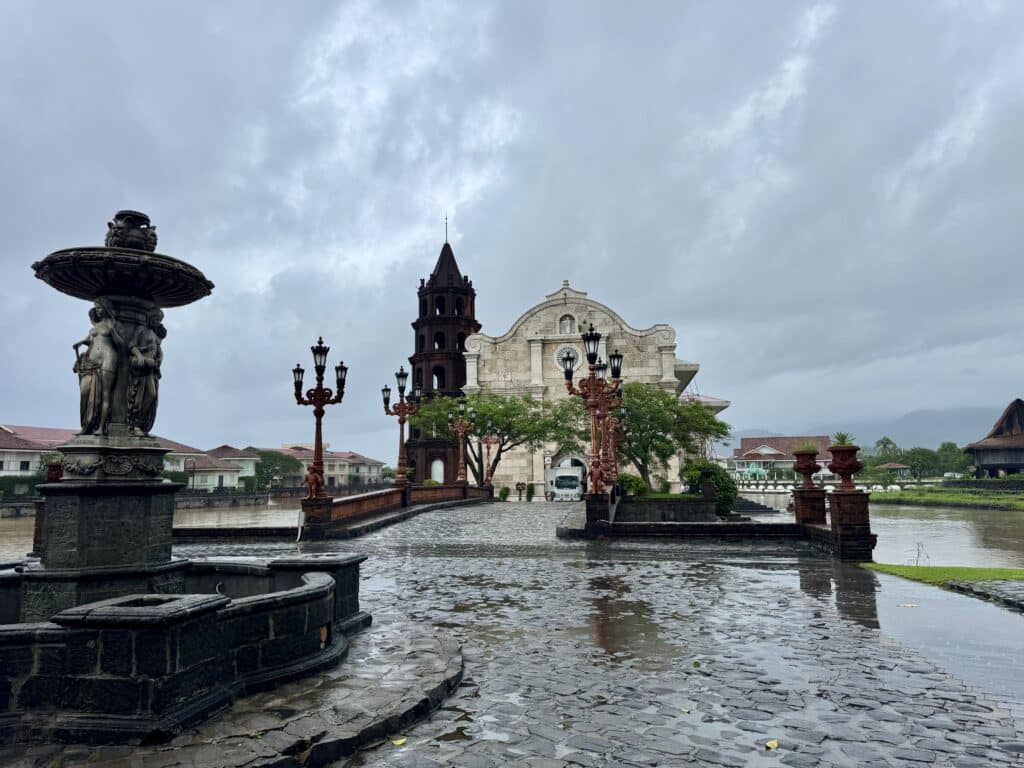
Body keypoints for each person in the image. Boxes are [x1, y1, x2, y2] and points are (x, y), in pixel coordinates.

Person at [72, 299, 124, 435]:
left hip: (108, 359)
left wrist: (113, 331)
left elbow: (121, 344)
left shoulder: (113, 324)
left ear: (106, 308)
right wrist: (80, 343)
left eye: (100, 308)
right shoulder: (94, 327)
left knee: (105, 395)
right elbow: (89, 341)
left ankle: (101, 427)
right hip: (91, 363)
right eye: (96, 308)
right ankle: (86, 425)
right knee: (85, 392)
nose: (98, 310)